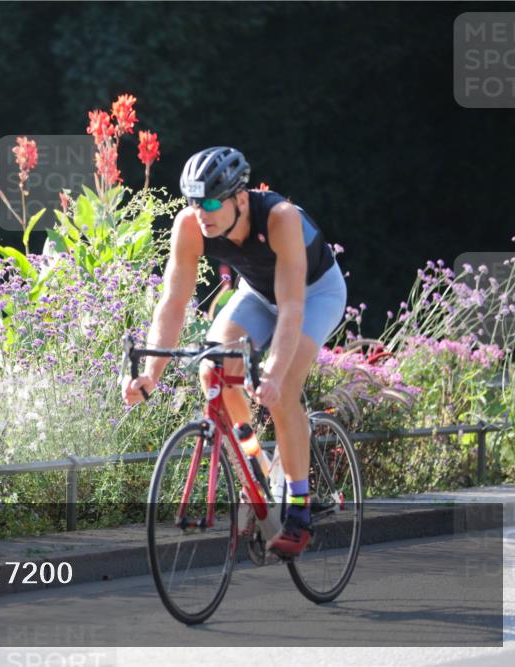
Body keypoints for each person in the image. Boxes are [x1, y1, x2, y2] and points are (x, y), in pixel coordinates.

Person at [120, 146, 347, 557]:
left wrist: (273, 372)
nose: (200, 213)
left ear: (240, 198)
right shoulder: (190, 225)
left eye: (210, 203)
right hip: (258, 294)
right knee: (213, 368)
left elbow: (292, 307)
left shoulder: (279, 218)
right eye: (194, 202)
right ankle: (257, 466)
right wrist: (151, 373)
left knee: (283, 389)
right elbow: (173, 302)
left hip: (314, 295)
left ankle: (299, 508)